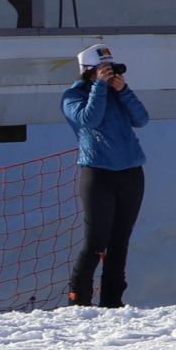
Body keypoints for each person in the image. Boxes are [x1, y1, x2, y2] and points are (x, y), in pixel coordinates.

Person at [64, 42, 148, 308]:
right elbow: (89, 119)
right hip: (98, 174)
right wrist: (100, 87)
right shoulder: (72, 96)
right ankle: (79, 300)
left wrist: (123, 91)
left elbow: (142, 118)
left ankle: (112, 301)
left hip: (131, 173)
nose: (109, 73)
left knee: (119, 241)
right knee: (96, 242)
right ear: (89, 70)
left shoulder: (116, 92)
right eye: (104, 69)